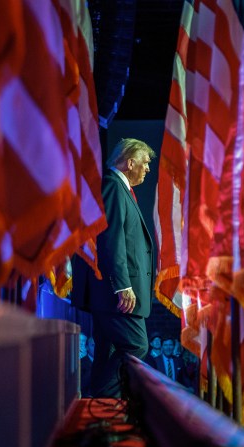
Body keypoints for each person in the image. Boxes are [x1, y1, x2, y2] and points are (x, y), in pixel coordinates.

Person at [71, 138, 157, 397]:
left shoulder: (121, 189)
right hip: (117, 295)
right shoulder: (112, 186)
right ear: (130, 162)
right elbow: (110, 239)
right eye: (145, 163)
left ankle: (100, 409)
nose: (147, 169)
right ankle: (103, 398)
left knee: (106, 350)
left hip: (113, 295)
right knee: (137, 346)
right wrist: (123, 285)